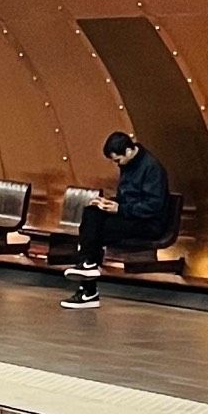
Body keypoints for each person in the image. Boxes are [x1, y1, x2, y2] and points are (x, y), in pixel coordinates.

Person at [62, 131, 170, 309]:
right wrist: (109, 203)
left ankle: (88, 287)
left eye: (118, 160)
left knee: (94, 232)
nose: (117, 164)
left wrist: (120, 208)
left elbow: (153, 206)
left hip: (149, 223)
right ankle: (88, 266)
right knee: (92, 213)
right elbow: (126, 197)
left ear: (128, 151)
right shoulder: (128, 165)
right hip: (130, 215)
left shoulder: (152, 168)